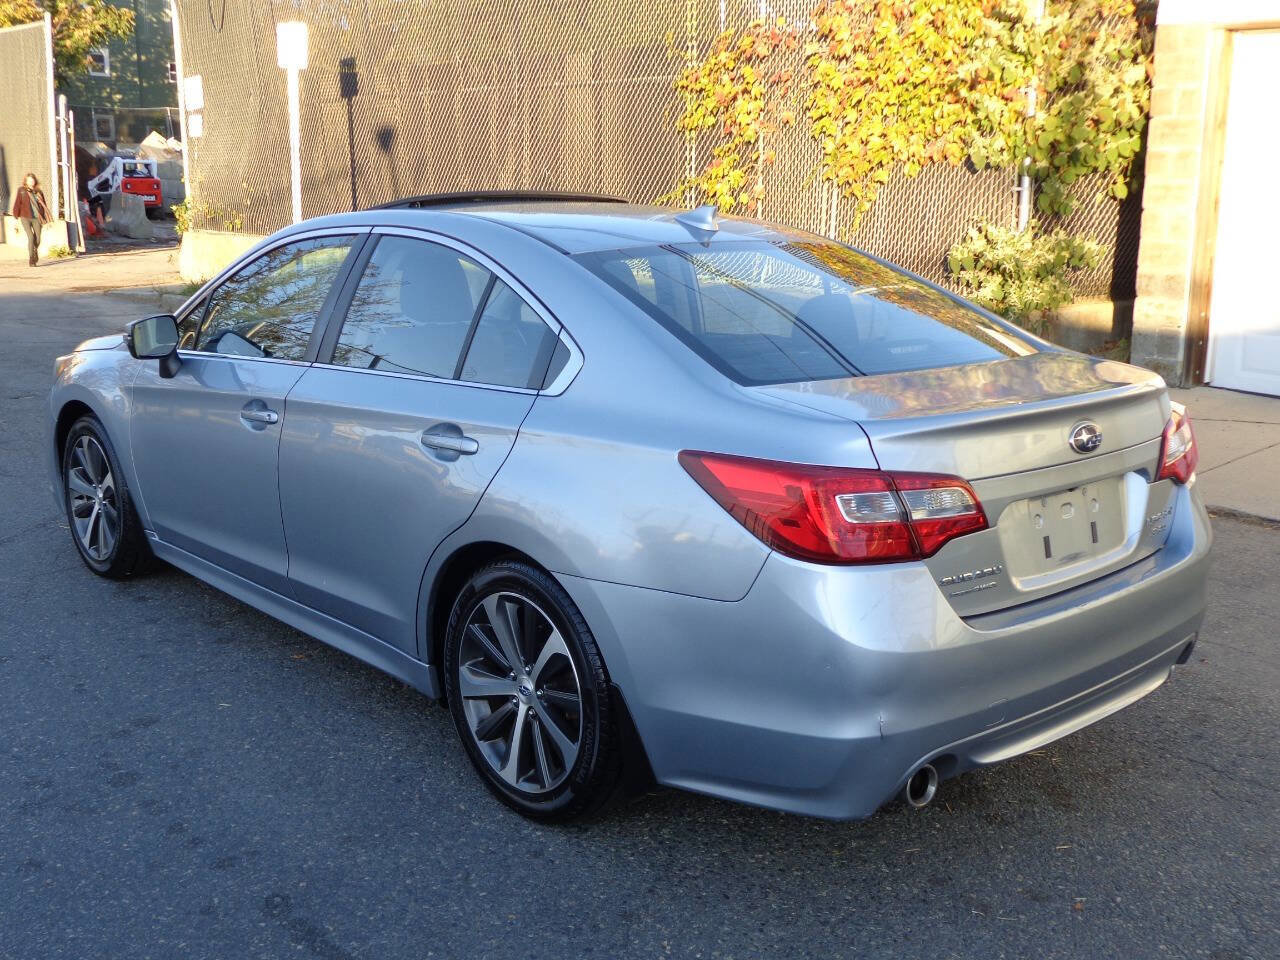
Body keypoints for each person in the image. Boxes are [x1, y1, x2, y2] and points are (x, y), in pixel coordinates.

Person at [12, 173, 52, 267]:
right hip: (25, 217)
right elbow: (17, 204)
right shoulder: (21, 190)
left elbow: (43, 206)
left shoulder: (38, 191)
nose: (31, 182)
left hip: (37, 218)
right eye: (29, 180)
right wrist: (15, 218)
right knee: (30, 237)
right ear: (26, 181)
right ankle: (31, 259)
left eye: (33, 180)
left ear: (35, 181)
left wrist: (45, 219)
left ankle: (34, 251)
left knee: (38, 239)